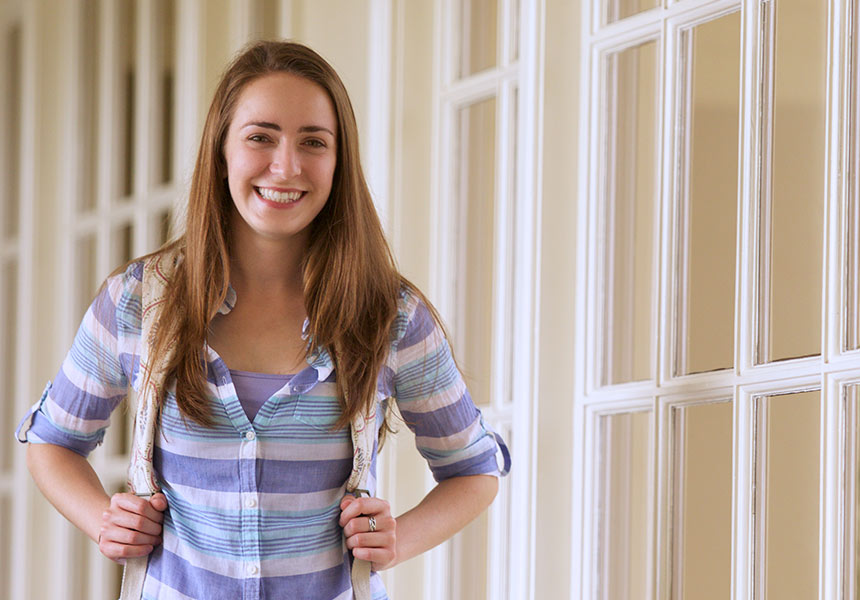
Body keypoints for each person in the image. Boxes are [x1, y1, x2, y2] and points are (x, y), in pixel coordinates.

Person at [16, 41, 509, 599]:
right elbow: (51, 441)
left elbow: (474, 469)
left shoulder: (388, 317)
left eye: (313, 142)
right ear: (222, 151)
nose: (286, 166)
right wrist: (105, 522)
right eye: (260, 137)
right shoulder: (139, 300)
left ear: (338, 161)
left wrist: (398, 540)